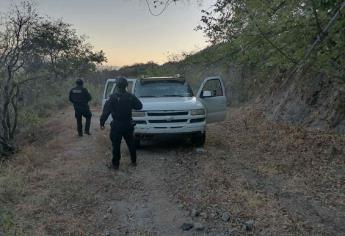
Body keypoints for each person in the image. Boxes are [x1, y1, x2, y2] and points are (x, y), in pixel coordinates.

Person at [100, 77, 143, 170]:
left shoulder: (112, 97)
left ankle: (115, 165)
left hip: (117, 125)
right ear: (126, 85)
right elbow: (139, 106)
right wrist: (130, 104)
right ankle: (133, 162)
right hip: (128, 124)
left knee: (116, 145)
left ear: (116, 86)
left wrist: (102, 123)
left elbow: (106, 112)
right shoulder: (131, 96)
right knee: (131, 143)